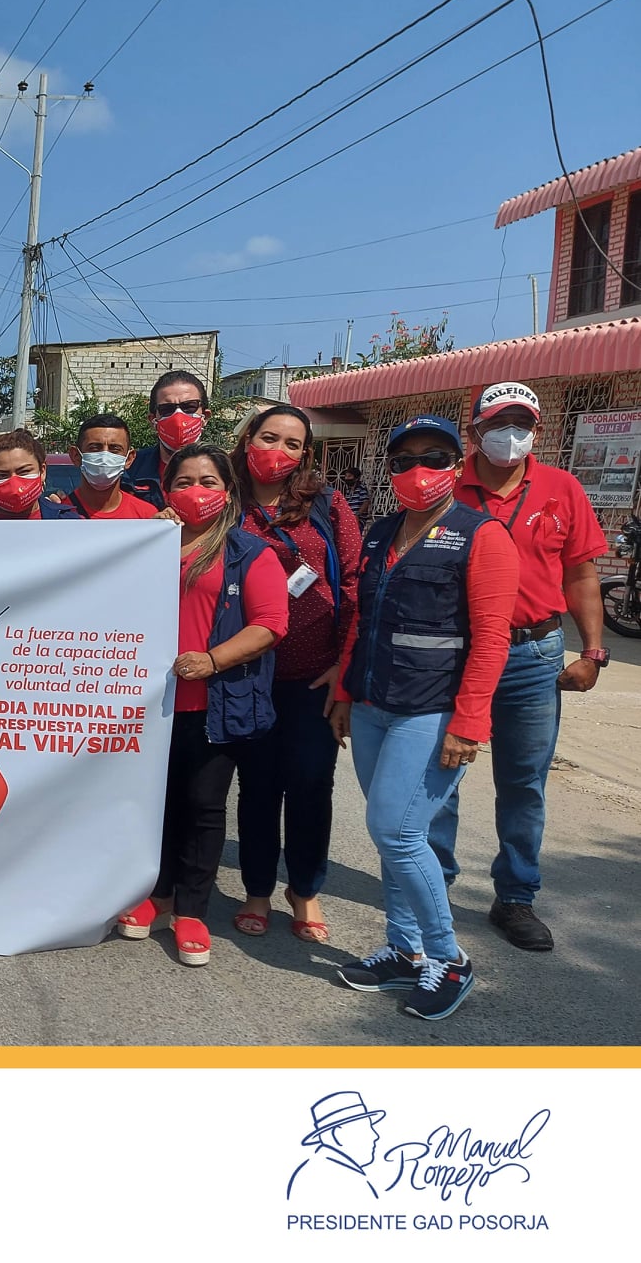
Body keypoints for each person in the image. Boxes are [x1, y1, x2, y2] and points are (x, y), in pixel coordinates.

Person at [329, 416, 518, 1021]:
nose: (418, 470)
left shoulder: (482, 535)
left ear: (457, 465)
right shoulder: (383, 532)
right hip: (373, 704)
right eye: (404, 459)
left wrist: (470, 722)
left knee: (397, 832)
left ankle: (448, 958)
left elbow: (492, 639)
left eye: (434, 457)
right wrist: (344, 688)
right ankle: (404, 949)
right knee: (392, 835)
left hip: (431, 709)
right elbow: (363, 618)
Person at [431, 381, 609, 952]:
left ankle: (515, 897)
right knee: (440, 777)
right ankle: (432, 888)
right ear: (475, 431)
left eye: (523, 424)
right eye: (499, 424)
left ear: (537, 429)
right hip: (456, 653)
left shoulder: (562, 488)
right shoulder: (446, 486)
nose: (512, 435)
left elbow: (581, 575)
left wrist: (593, 652)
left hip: (533, 655)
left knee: (524, 784)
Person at [116, 443, 287, 967]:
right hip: (147, 705)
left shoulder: (249, 552)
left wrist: (212, 661)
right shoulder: (148, 543)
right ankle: (157, 895)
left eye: (208, 481)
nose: (196, 491)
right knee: (154, 803)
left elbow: (270, 624)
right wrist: (148, 538)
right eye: (184, 482)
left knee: (203, 807)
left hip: (212, 704)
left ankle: (191, 910)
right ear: (166, 491)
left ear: (229, 492)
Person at [230, 404, 361, 943]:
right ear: (248, 441)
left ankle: (304, 889)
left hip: (314, 675)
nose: (278, 451)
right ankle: (258, 890)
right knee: (257, 787)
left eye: (292, 443)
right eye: (269, 438)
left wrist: (343, 667)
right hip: (244, 673)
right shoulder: (224, 500)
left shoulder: (327, 504)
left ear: (305, 453)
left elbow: (353, 583)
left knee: (311, 784)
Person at [122, 370, 211, 510]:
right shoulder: (130, 470)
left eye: (189, 407)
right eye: (167, 409)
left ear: (205, 417)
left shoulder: (224, 469)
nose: (178, 416)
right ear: (153, 420)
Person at [63, 413, 160, 519]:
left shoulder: (147, 516)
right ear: (76, 456)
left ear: (129, 459)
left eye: (115, 449)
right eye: (95, 448)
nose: (105, 457)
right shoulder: (57, 514)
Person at [0, 429, 77, 519]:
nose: (14, 484)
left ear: (42, 471)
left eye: (24, 471)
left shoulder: (70, 524)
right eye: (1, 475)